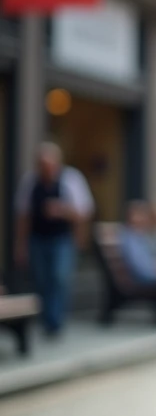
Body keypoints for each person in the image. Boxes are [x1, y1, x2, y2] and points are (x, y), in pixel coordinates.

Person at [13, 142, 94, 338]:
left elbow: (85, 212)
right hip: (37, 238)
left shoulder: (71, 179)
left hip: (62, 239)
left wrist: (63, 210)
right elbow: (23, 216)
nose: (46, 169)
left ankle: (55, 323)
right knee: (41, 280)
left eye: (49, 164)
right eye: (42, 164)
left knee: (59, 278)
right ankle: (46, 318)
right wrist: (20, 245)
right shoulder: (30, 182)